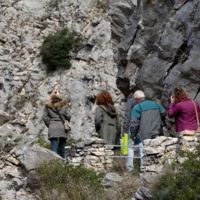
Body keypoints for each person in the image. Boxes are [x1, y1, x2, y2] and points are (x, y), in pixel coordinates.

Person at [42, 90, 71, 158]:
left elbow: (44, 117)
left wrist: (49, 124)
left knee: (53, 147)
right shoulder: (64, 106)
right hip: (62, 127)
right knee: (62, 145)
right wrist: (66, 120)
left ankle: (54, 163)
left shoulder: (48, 106)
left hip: (52, 126)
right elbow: (68, 116)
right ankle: (62, 163)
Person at [123, 86, 144, 172]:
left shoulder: (131, 101)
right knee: (142, 146)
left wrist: (124, 129)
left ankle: (129, 168)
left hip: (132, 125)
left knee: (130, 147)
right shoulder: (144, 102)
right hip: (143, 126)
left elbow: (128, 115)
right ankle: (143, 167)